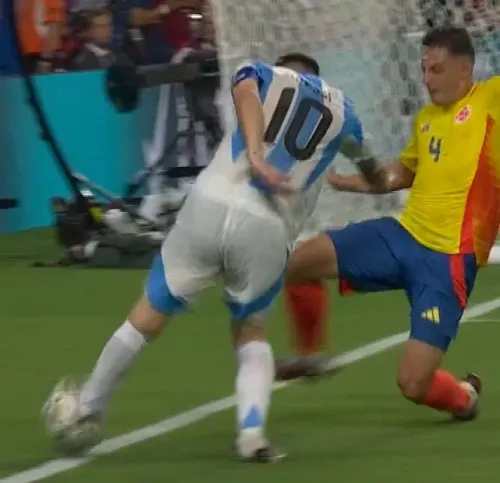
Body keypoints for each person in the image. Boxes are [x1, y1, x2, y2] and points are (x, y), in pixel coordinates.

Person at [43, 52, 385, 462]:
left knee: (148, 314)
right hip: (268, 227)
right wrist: (370, 182)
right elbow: (376, 172)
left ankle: (89, 408)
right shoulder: (344, 112)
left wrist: (256, 154)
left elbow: (244, 88)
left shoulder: (265, 73)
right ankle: (252, 435)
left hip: (211, 202)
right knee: (250, 330)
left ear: (287, 69)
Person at [276, 27, 500, 422]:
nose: (427, 80)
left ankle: (463, 397)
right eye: (424, 70)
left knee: (413, 384)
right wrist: (356, 181)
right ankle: (310, 356)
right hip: (403, 235)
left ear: (466, 69)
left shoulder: (490, 101)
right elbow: (403, 173)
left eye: (437, 69)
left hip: (448, 262)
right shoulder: (428, 118)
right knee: (296, 264)